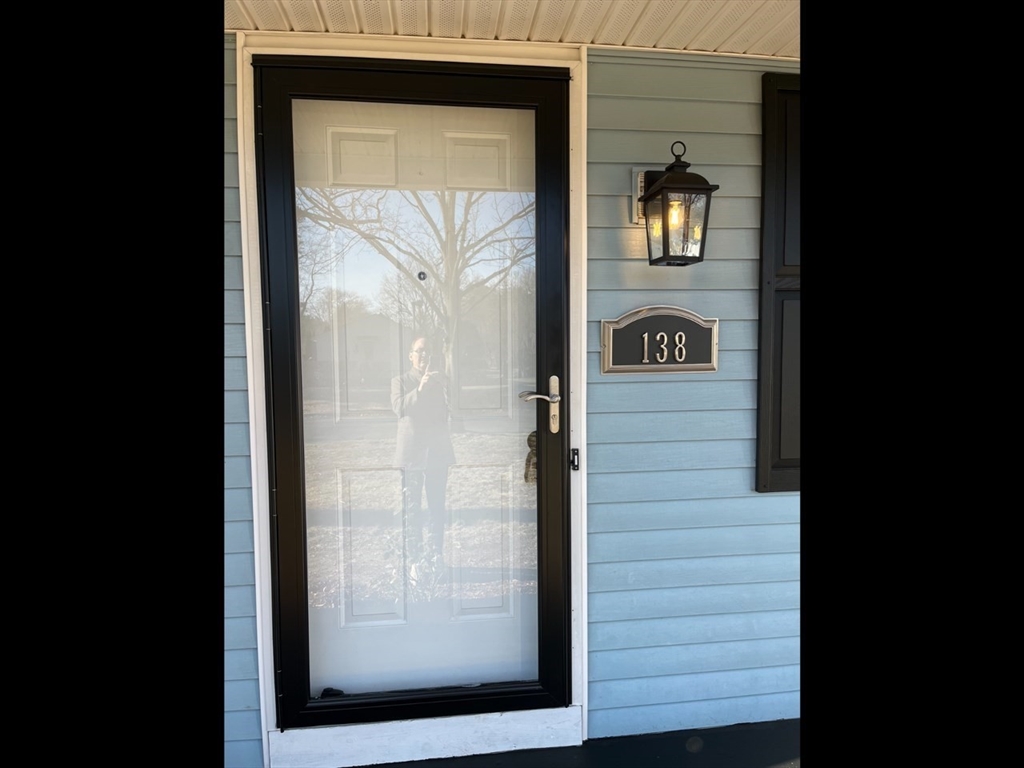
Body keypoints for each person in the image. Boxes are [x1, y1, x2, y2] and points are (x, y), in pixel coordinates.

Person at [391, 337, 456, 576]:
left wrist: (445, 386)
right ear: (411, 356)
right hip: (411, 456)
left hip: (437, 454)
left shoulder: (439, 382)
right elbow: (399, 407)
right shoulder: (400, 381)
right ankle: (415, 561)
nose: (424, 355)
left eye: (427, 351)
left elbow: (449, 413)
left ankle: (436, 556)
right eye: (419, 351)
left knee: (437, 507)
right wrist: (419, 389)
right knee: (412, 510)